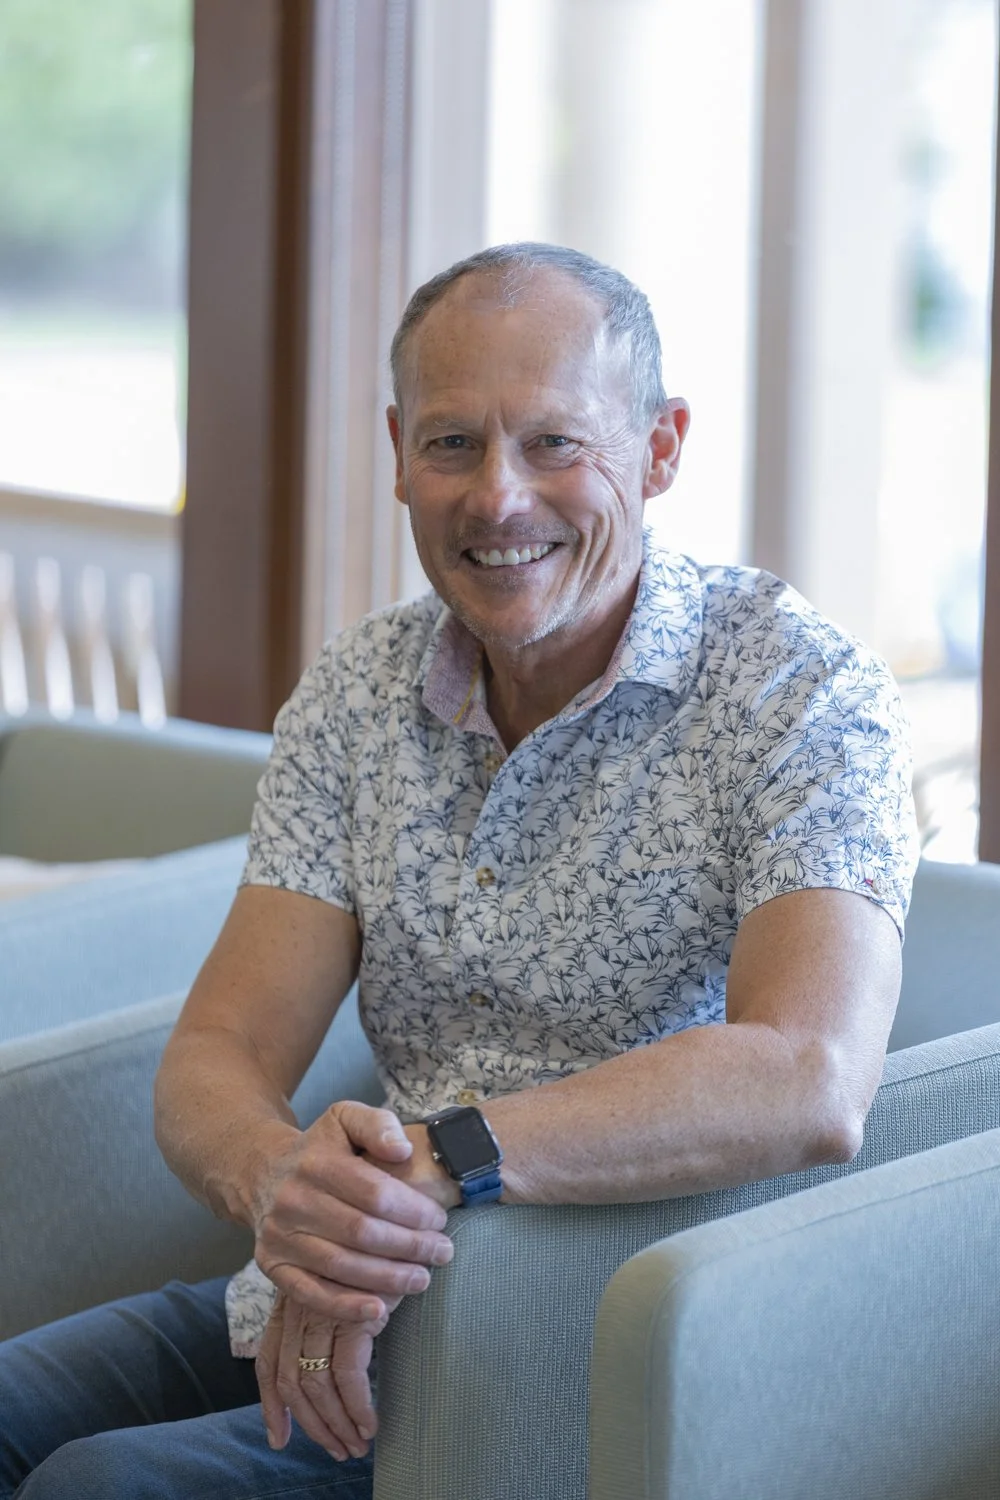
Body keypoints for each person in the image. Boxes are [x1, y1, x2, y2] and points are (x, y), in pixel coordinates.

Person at [0, 243, 918, 1499]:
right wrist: (293, 1191)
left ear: (658, 451)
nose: (497, 499)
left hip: (594, 1339)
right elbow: (217, 1051)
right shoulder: (358, 690)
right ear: (396, 453)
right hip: (339, 1283)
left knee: (99, 1488)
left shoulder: (797, 690)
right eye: (451, 446)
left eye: (554, 443)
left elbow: (808, 1077)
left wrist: (439, 1161)